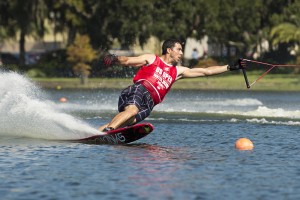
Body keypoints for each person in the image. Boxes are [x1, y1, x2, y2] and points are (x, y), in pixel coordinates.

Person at [99, 39, 243, 131]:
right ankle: (109, 130)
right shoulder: (152, 59)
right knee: (131, 111)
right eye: (178, 49)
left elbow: (206, 71)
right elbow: (128, 61)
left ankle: (96, 134)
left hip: (149, 105)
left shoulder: (178, 72)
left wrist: (230, 67)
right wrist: (115, 58)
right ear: (169, 50)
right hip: (139, 90)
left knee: (127, 121)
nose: (181, 53)